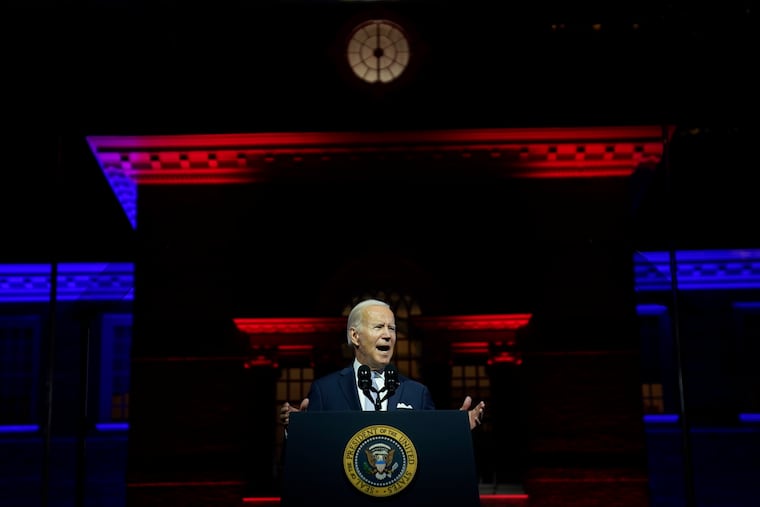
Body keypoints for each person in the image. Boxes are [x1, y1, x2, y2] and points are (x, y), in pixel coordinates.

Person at [279, 298, 485, 430]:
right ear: (355, 336)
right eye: (379, 327)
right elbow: (309, 461)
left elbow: (431, 449)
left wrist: (458, 430)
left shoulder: (417, 393)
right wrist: (300, 431)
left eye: (392, 328)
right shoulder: (325, 390)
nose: (388, 335)